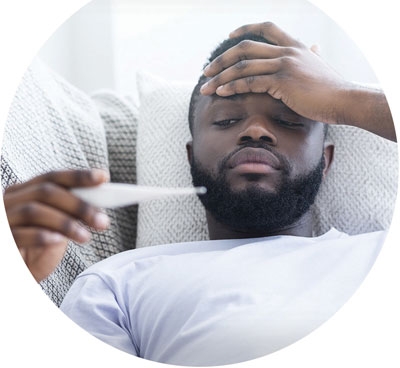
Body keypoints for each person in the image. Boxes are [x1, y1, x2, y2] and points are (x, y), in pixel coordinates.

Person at [3, 22, 396, 365]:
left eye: (288, 119)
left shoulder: (378, 254)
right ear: (190, 158)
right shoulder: (118, 284)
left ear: (325, 162)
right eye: (226, 119)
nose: (256, 130)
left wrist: (349, 99)